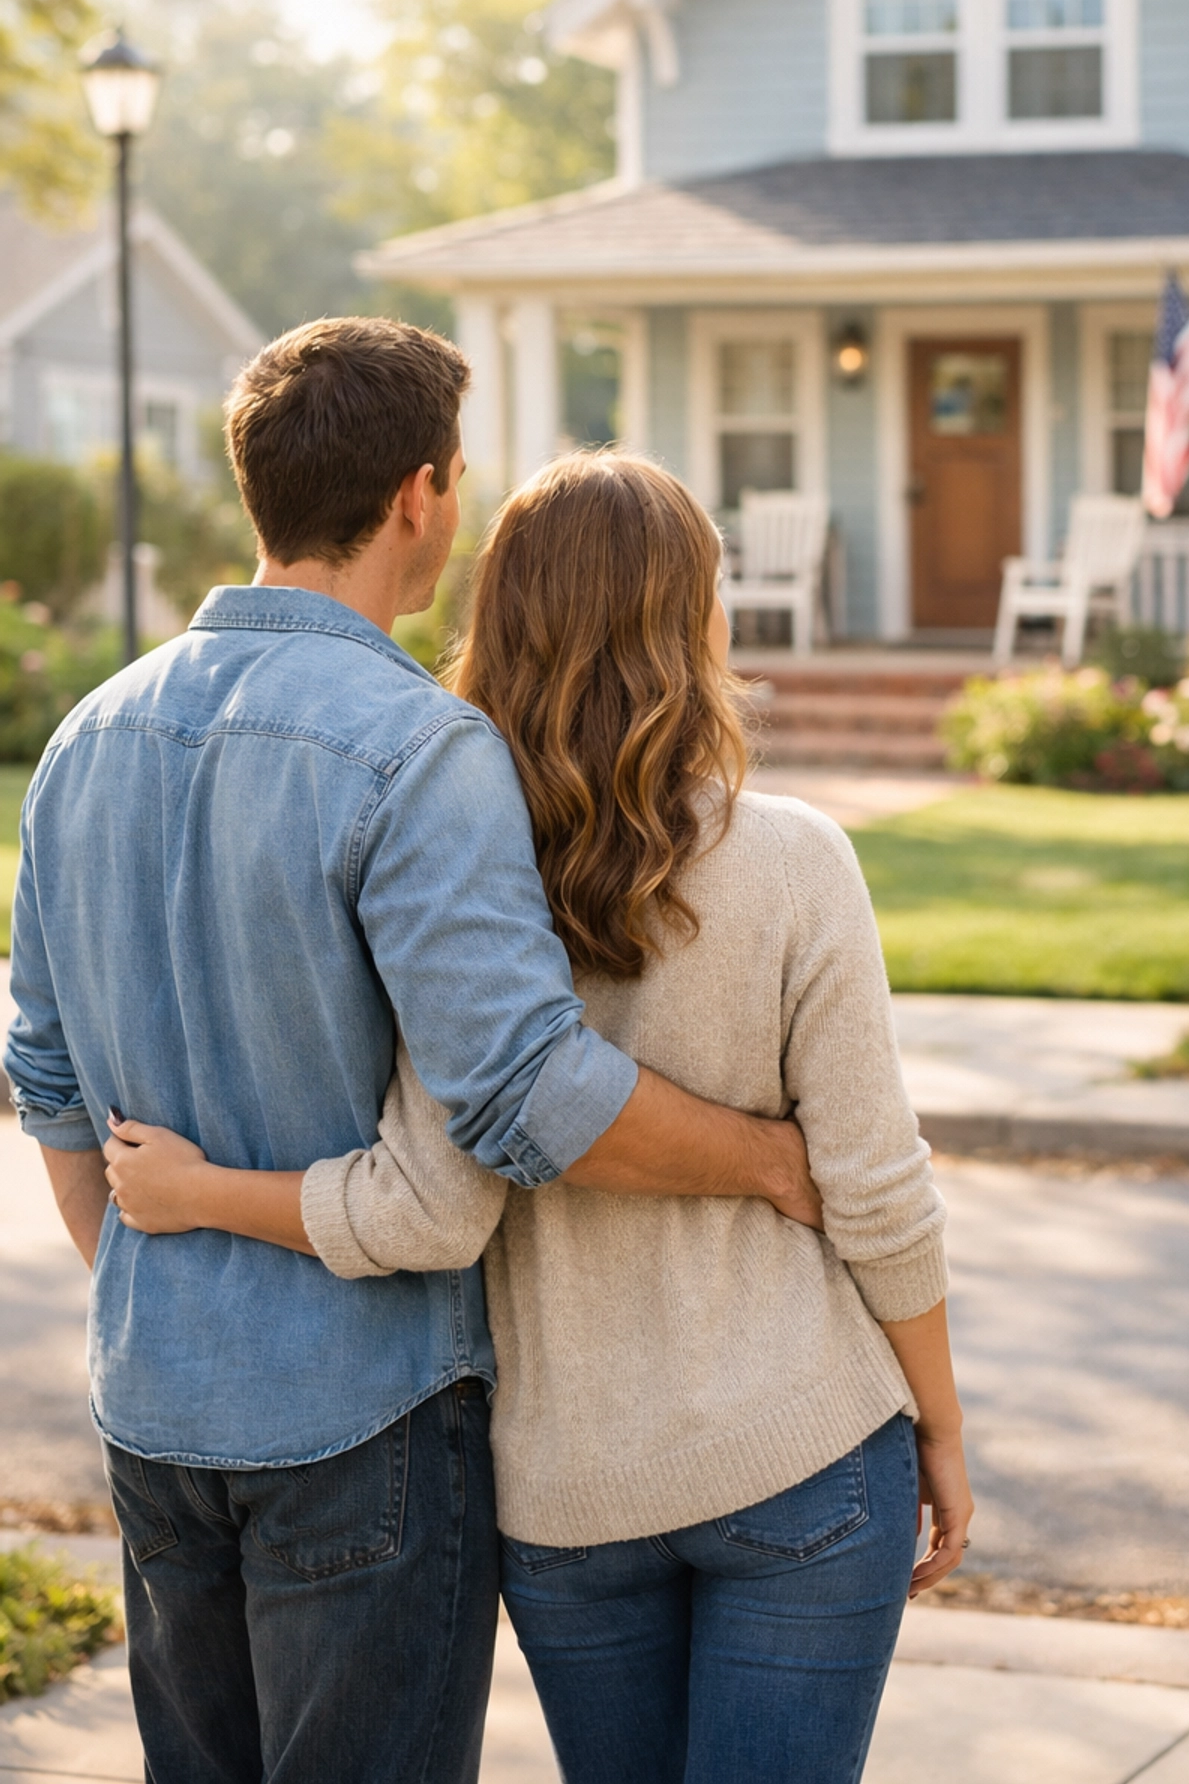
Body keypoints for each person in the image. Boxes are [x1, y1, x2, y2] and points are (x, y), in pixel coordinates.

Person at [3, 323, 823, 1784]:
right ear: (423, 497)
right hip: (360, 1425)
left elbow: (48, 1083)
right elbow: (526, 1094)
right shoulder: (415, 750)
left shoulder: (84, 739)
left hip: (154, 1413)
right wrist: (772, 1159)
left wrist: (166, 1286)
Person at [104, 449, 975, 1784]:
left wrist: (199, 1193)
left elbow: (419, 1203)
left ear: (500, 615)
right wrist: (944, 1428)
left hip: (567, 1501)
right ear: (695, 621)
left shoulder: (435, 856)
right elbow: (876, 1188)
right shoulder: (795, 861)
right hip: (804, 1454)